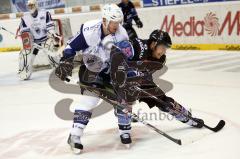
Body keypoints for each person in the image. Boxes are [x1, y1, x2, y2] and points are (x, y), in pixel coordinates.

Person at [55, 4, 130, 154]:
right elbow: (70, 47)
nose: (116, 25)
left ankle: (125, 129)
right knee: (91, 99)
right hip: (91, 69)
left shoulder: (122, 35)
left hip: (110, 70)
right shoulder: (89, 29)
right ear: (104, 20)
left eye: (118, 22)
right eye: (113, 22)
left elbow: (124, 58)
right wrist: (65, 62)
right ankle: (75, 135)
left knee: (123, 96)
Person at [115, 30, 204, 129]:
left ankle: (188, 118)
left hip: (141, 80)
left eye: (166, 48)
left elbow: (146, 76)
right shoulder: (137, 46)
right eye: (162, 47)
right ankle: (120, 114)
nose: (164, 52)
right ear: (153, 44)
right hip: (119, 77)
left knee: (165, 102)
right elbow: (117, 56)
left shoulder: (160, 60)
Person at [18, 0, 61, 80]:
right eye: (29, 5)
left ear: (36, 5)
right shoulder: (25, 18)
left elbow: (50, 27)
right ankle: (25, 72)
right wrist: (27, 38)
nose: (31, 7)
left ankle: (59, 69)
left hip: (46, 40)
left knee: (52, 51)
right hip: (34, 43)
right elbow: (25, 32)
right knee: (25, 54)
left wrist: (51, 33)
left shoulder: (45, 13)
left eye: (32, 5)